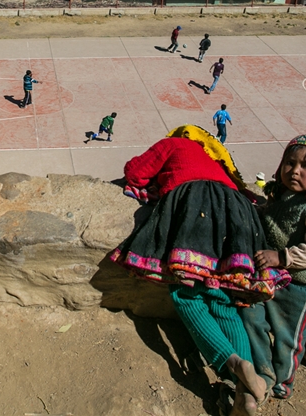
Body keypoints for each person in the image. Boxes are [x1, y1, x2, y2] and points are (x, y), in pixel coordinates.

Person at [112, 126, 290, 414]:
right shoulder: (217, 161)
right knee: (221, 299)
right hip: (235, 211)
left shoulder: (173, 144)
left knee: (187, 294)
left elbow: (135, 172)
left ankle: (232, 364)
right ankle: (245, 393)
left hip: (196, 205)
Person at [241, 135, 306, 402]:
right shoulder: (283, 193)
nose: (295, 171)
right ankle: (264, 373)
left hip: (298, 286)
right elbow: (274, 217)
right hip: (273, 277)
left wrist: (281, 257)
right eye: (289, 163)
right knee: (252, 317)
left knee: (289, 337)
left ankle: (283, 382)